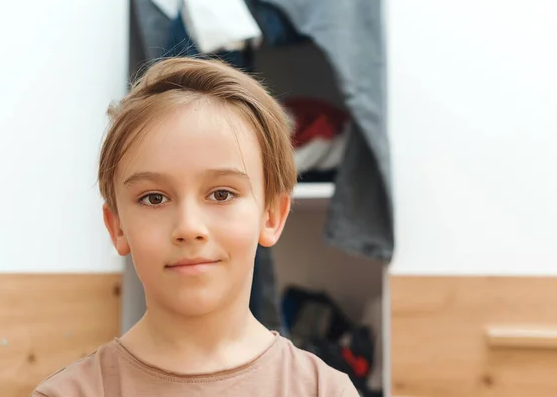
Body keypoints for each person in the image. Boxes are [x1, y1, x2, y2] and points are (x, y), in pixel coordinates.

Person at [32, 57, 359, 397]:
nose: (189, 227)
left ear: (272, 215)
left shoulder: (325, 390)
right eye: (154, 198)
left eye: (221, 193)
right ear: (117, 228)